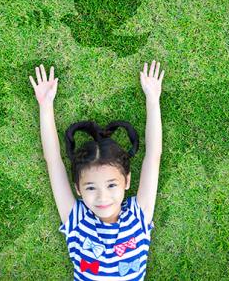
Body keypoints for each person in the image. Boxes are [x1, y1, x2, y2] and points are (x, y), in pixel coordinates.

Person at [29, 61, 164, 280]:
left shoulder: (139, 217)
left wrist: (153, 99)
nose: (102, 196)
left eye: (112, 184)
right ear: (78, 189)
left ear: (127, 181)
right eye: (91, 187)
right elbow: (53, 161)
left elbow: (153, 157)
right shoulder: (77, 220)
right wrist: (45, 106)